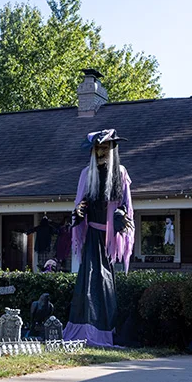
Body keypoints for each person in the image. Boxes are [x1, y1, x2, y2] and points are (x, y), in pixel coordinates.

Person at [64, 129, 135, 347]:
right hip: (93, 237)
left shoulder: (120, 173)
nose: (101, 152)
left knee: (105, 284)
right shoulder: (87, 174)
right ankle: (84, 328)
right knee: (88, 281)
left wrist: (121, 215)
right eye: (97, 149)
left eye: (105, 148)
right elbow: (81, 204)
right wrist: (79, 213)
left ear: (112, 149)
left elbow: (126, 204)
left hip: (109, 239)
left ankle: (106, 330)